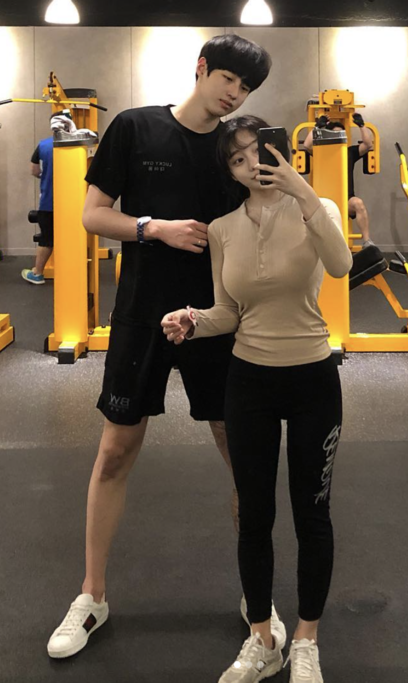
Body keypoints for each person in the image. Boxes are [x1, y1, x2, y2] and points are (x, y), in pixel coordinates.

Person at [46, 35, 278, 660]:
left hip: (218, 320)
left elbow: (267, 218)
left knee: (243, 459)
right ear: (202, 69)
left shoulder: (237, 150)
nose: (235, 94)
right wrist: (155, 229)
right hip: (143, 315)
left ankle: (258, 599)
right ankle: (92, 595)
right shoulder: (134, 128)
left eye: (246, 88)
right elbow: (93, 215)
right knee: (115, 452)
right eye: (228, 79)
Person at [161, 115, 353, 683]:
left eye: (258, 153)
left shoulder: (319, 209)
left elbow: (341, 266)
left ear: (279, 152)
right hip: (249, 382)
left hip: (313, 377)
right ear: (231, 171)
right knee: (254, 515)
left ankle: (307, 640)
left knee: (312, 513)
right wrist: (193, 320)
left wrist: (303, 190)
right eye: (237, 159)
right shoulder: (223, 229)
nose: (252, 166)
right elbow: (228, 311)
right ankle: (262, 638)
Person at [304, 112, 375, 247]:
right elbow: (307, 145)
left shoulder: (349, 152)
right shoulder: (321, 152)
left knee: (358, 203)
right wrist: (317, 127)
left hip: (346, 200)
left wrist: (361, 125)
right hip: (324, 200)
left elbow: (367, 145)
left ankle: (367, 242)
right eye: (335, 134)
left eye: (341, 134)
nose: (338, 137)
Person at [22, 122, 54, 284]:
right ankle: (75, 273)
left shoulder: (43, 145)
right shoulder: (79, 145)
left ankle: (37, 273)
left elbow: (34, 170)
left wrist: (46, 176)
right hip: (74, 203)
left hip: (49, 203)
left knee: (47, 239)